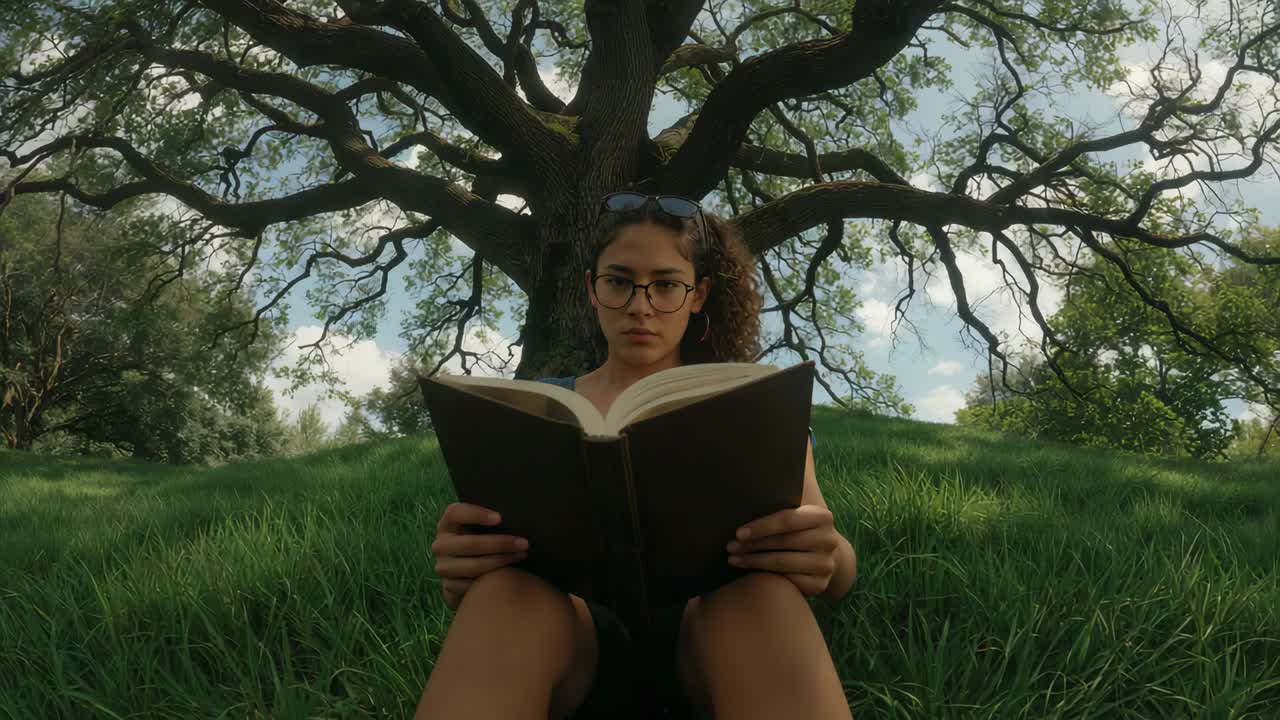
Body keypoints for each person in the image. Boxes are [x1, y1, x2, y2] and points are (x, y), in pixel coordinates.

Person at [415, 192, 859, 720]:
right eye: (619, 282)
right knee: (504, 596)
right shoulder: (532, 407)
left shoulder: (753, 404)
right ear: (592, 288)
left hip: (712, 636)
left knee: (762, 597)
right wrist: (466, 563)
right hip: (566, 636)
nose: (639, 306)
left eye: (666, 284)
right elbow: (483, 542)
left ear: (698, 295)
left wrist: (825, 554)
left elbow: (837, 566)